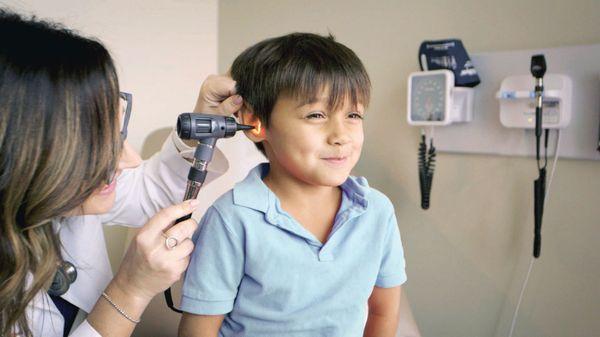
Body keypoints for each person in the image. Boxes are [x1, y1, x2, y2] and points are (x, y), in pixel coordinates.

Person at [0, 10, 242, 337]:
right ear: (22, 148)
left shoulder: (63, 195)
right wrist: (129, 291)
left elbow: (148, 193)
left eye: (118, 134)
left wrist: (202, 122)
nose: (129, 160)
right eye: (97, 143)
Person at [178, 33, 407, 337]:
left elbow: (383, 312)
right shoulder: (231, 220)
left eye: (353, 114)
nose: (340, 135)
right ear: (255, 123)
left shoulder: (377, 211)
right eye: (316, 115)